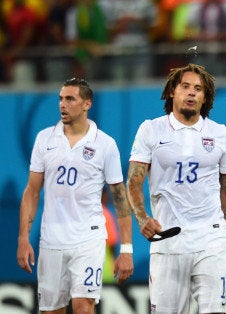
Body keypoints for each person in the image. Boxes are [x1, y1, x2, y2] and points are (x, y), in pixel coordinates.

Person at [126, 63, 226, 313]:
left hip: (211, 240)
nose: (192, 92)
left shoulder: (218, 133)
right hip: (168, 241)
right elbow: (133, 181)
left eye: (198, 88)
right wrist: (142, 218)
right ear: (173, 91)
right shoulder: (151, 130)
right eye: (185, 86)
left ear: (205, 97)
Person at [16, 77, 134, 313]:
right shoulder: (44, 139)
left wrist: (127, 249)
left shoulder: (105, 144)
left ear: (87, 104)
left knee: (83, 306)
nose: (62, 104)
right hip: (51, 240)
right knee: (51, 310)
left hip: (88, 239)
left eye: (70, 99)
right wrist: (23, 238)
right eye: (61, 99)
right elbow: (32, 191)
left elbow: (120, 198)